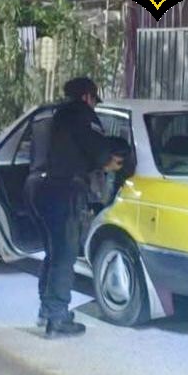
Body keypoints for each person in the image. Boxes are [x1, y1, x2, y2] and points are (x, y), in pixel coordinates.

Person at [27, 77, 124, 338]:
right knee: (65, 256)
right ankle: (57, 318)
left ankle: (46, 311)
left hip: (36, 188)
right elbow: (99, 152)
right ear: (87, 97)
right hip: (63, 191)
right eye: (94, 100)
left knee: (53, 253)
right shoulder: (81, 114)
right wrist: (111, 161)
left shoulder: (49, 115)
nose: (93, 105)